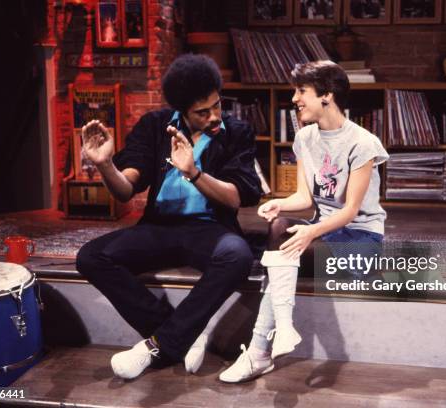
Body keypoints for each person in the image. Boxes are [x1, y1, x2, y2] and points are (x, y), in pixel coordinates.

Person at [76, 54, 262, 379]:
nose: (214, 116)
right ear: (182, 110)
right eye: (202, 112)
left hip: (210, 230)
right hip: (159, 228)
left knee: (238, 255)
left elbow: (237, 197)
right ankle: (181, 332)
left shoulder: (236, 132)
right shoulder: (154, 126)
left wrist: (194, 173)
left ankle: (161, 343)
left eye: (217, 105)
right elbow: (126, 188)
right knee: (91, 257)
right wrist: (105, 164)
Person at [219, 60, 388, 383]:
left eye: (302, 91)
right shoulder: (305, 138)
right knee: (279, 227)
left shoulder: (362, 143)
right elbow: (306, 199)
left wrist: (311, 231)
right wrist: (279, 203)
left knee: (282, 253)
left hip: (360, 240)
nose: (294, 98)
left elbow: (351, 210)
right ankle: (281, 330)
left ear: (326, 95)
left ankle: (259, 351)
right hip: (322, 235)